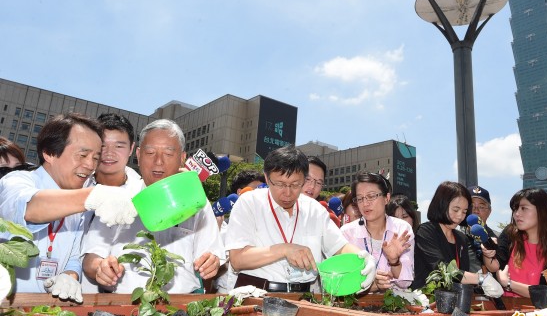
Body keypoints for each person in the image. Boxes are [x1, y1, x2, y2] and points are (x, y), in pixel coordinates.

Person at [0, 113, 137, 303]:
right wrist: (94, 196)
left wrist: (70, 275)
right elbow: (30, 207)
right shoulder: (16, 181)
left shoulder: (79, 198)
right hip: (7, 307)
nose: (90, 165)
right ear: (49, 153)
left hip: (49, 310)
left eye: (95, 157)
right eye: (82, 155)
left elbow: (74, 256)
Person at [82, 119, 225, 294]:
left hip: (182, 305)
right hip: (125, 304)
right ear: (138, 154)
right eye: (150, 153)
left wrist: (211, 262)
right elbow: (91, 257)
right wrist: (101, 268)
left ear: (182, 158)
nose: (158, 161)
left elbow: (212, 254)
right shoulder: (118, 197)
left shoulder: (196, 202)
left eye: (168, 154)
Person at [226, 145, 376, 293]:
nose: (287, 192)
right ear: (266, 177)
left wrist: (364, 258)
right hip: (256, 294)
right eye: (280, 184)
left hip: (302, 297)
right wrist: (284, 249)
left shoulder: (314, 210)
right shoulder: (249, 203)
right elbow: (237, 259)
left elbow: (340, 247)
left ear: (304, 179)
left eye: (295, 184)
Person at [81, 113, 143, 293]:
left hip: (113, 296)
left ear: (131, 148)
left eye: (119, 146)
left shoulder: (140, 193)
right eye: (102, 145)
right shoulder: (75, 183)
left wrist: (102, 268)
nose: (109, 153)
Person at [412, 181, 503, 298]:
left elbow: (462, 274)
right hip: (425, 299)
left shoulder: (461, 238)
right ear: (442, 205)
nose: (460, 216)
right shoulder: (426, 231)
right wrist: (481, 279)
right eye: (455, 210)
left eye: (464, 211)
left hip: (453, 301)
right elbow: (442, 269)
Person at [482, 188, 547, 298]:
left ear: (542, 210)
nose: (517, 214)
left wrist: (509, 284)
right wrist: (487, 252)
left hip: (541, 313)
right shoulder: (510, 233)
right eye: (515, 209)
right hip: (507, 310)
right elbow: (494, 267)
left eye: (524, 208)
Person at [341, 172, 413, 292]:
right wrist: (371, 283)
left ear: (386, 198)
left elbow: (405, 283)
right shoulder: (347, 233)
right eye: (360, 198)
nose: (365, 203)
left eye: (371, 196)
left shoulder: (401, 229)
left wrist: (394, 261)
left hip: (395, 304)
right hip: (356, 305)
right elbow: (341, 279)